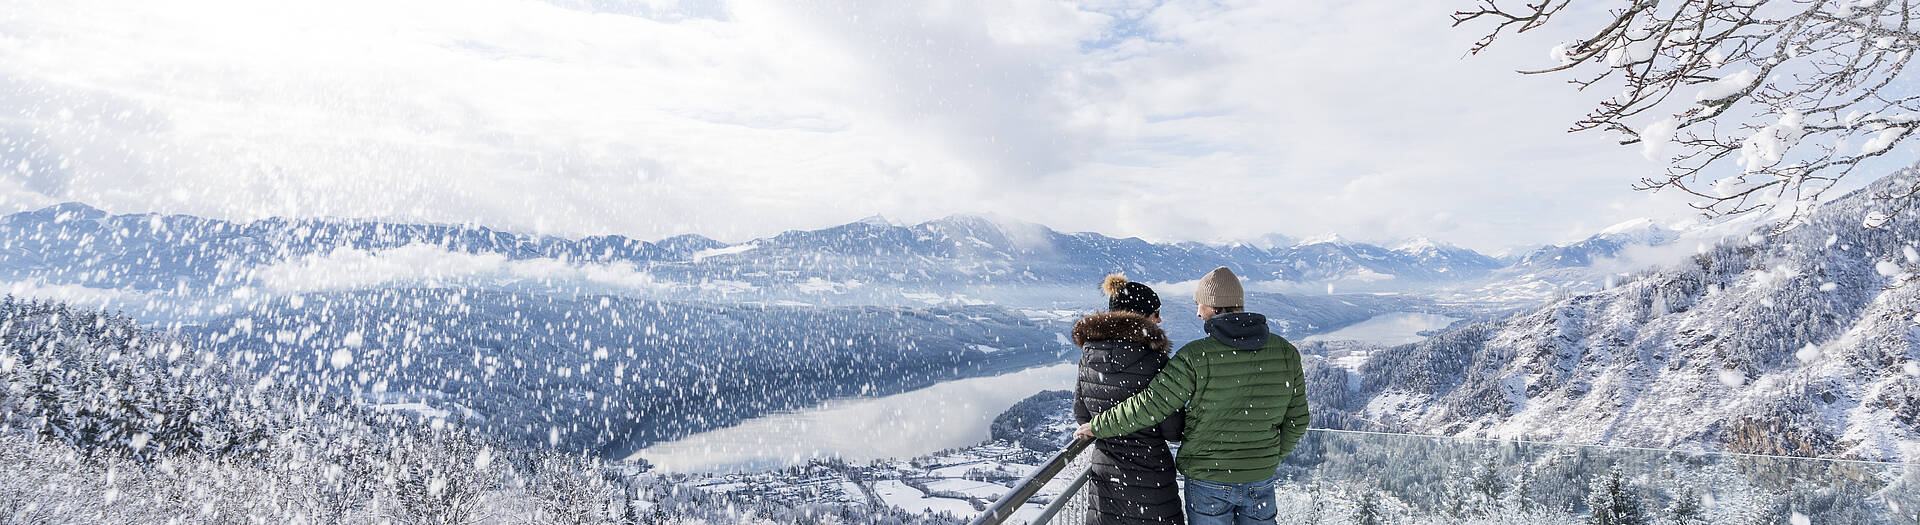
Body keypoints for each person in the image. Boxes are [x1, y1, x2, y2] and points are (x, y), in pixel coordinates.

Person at [1075, 266, 1309, 525]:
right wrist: (1267, 457)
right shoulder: (1285, 352)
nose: (1197, 312)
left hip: (1207, 479)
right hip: (1259, 478)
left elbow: (1151, 404)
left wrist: (1099, 425)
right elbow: (1297, 419)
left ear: (1214, 306)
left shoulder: (1195, 356)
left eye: (1200, 305)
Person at [1071, 274, 1186, 524]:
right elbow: (1173, 429)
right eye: (1156, 313)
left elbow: (1082, 416)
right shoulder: (1156, 362)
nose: (1160, 319)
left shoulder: (1088, 357)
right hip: (1151, 479)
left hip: (1106, 480)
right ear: (1141, 317)